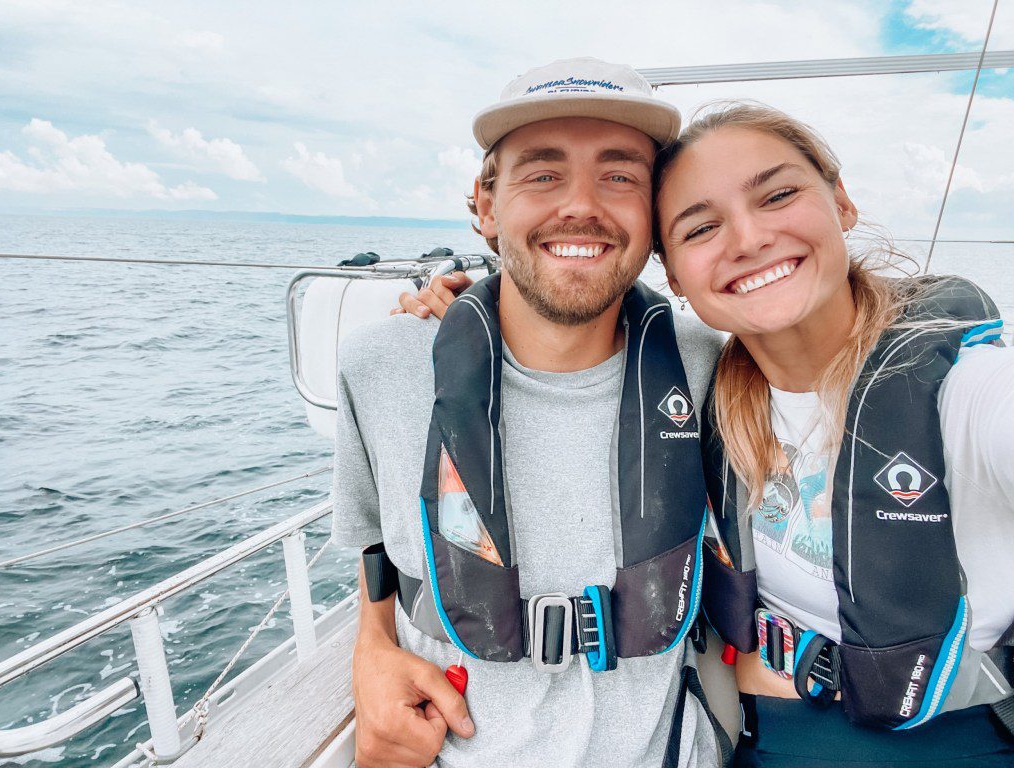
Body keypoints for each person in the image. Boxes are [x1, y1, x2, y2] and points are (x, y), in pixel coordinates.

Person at [407, 101, 1014, 767]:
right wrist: (473, 308)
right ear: (674, 278)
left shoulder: (964, 390)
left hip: (949, 742)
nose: (748, 238)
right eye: (700, 229)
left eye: (778, 194)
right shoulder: (703, 391)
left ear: (840, 201)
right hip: (759, 736)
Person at [332, 58, 728, 768]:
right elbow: (372, 549)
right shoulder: (382, 366)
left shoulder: (712, 365)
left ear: (656, 214)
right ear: (484, 205)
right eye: (543, 173)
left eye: (620, 175)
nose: (580, 205)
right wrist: (370, 648)